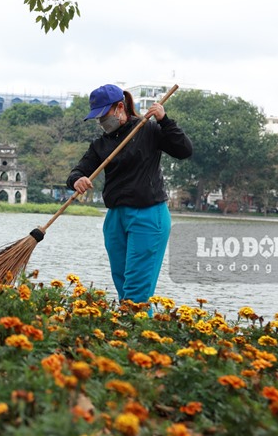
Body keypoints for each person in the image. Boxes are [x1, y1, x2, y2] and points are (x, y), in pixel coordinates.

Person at [66, 84, 192, 305]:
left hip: (148, 215)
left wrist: (164, 121)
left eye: (104, 115)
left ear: (119, 107)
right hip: (115, 218)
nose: (102, 121)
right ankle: (130, 333)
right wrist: (77, 180)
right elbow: (78, 171)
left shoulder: (148, 130)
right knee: (123, 286)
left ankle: (139, 335)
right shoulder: (100, 145)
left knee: (136, 292)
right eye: (98, 117)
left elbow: (184, 150)